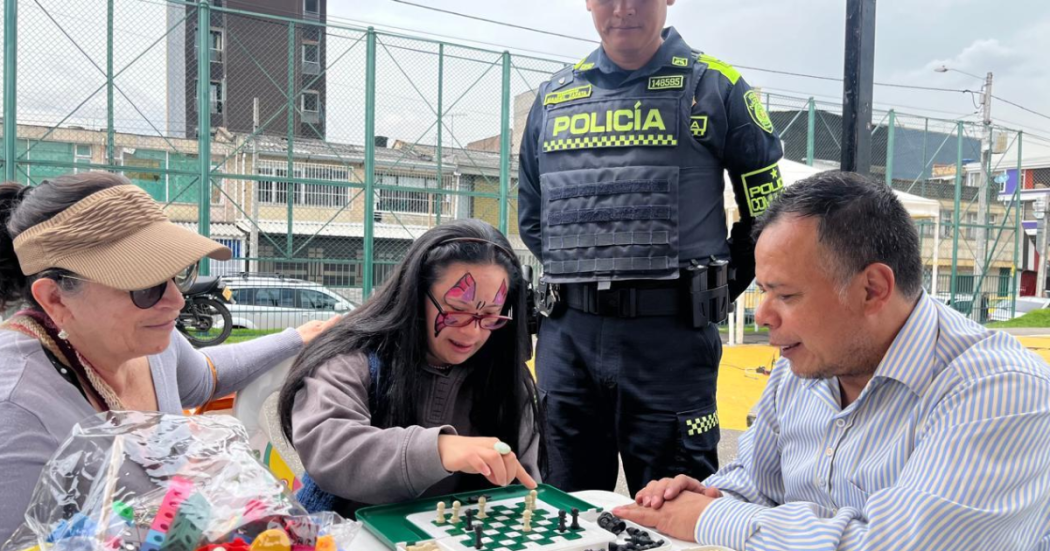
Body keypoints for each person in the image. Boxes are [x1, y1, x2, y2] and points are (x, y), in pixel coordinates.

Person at [612, 171, 1050, 550]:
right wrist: (706, 497)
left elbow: (901, 545)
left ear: (872, 289)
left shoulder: (1001, 390)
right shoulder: (804, 364)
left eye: (785, 295)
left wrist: (709, 518)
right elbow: (757, 483)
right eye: (763, 291)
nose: (763, 315)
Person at [517, 0, 784, 494]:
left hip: (672, 343)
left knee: (677, 516)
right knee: (563, 513)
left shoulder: (716, 87)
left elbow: (770, 220)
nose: (623, 9)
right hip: (567, 342)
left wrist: (712, 291)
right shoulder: (553, 97)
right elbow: (534, 224)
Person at [0, 172, 339, 541]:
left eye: (177, 274)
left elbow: (206, 376)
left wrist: (295, 338)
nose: (176, 301)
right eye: (146, 286)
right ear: (55, 297)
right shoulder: (16, 411)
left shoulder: (149, 344)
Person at [278, 219, 544, 519]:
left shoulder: (505, 379)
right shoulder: (353, 357)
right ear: (416, 295)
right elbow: (330, 449)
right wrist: (440, 450)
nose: (472, 333)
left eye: (490, 315)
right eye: (456, 310)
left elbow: (524, 485)